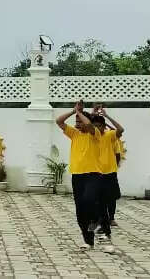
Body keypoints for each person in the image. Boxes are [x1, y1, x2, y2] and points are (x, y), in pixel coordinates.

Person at [56, 100, 104, 251]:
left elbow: (89, 125)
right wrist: (73, 111)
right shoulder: (74, 134)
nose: (77, 124)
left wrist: (79, 112)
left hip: (93, 174)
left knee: (89, 199)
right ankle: (88, 241)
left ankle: (98, 220)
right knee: (80, 211)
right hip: (77, 175)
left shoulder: (95, 134)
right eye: (76, 122)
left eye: (79, 121)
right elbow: (59, 121)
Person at [92, 105, 123, 243]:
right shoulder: (91, 137)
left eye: (99, 126)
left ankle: (111, 218)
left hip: (110, 172)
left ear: (104, 126)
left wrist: (106, 116)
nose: (97, 128)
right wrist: (93, 114)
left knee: (111, 198)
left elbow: (120, 130)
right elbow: (87, 125)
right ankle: (100, 222)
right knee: (98, 200)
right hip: (95, 173)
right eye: (95, 126)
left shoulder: (110, 136)